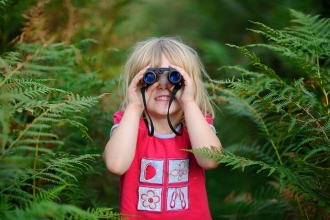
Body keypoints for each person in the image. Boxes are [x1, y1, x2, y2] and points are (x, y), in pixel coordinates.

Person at [104, 36, 222, 219]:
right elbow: (116, 165)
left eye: (174, 76)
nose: (163, 85)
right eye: (151, 77)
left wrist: (189, 102)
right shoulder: (128, 123)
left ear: (189, 83)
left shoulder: (197, 124)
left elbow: (210, 160)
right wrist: (135, 106)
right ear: (137, 83)